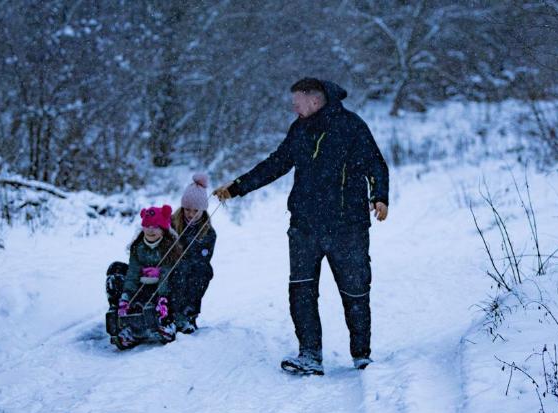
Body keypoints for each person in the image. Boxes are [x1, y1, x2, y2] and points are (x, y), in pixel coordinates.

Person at [214, 77, 389, 375]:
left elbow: (375, 164)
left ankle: (361, 355)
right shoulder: (300, 129)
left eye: (297, 101)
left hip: (347, 226)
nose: (293, 107)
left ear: (315, 98)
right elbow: (277, 163)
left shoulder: (351, 126)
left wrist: (380, 196)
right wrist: (238, 187)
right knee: (302, 290)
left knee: (355, 290)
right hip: (305, 226)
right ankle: (309, 354)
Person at [105, 204, 181, 348]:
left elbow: (166, 274)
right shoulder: (138, 247)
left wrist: (163, 298)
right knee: (115, 271)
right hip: (142, 287)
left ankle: (166, 322)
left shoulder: (169, 247)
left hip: (162, 289)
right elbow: (133, 273)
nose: (151, 230)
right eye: (147, 225)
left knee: (178, 278)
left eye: (156, 226)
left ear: (163, 229)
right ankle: (125, 325)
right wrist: (126, 296)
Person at [170, 174, 217, 334]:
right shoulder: (171, 223)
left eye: (195, 211)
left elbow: (203, 258)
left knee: (203, 271)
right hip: (170, 265)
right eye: (187, 209)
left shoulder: (208, 232)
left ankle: (189, 313)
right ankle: (173, 312)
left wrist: (187, 257)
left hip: (193, 268)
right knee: (179, 268)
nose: (190, 214)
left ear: (203, 210)